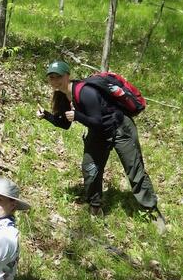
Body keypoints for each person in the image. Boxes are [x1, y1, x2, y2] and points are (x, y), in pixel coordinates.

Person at [37, 60, 166, 231]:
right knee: (90, 168)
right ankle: (95, 206)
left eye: (58, 77)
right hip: (98, 132)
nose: (54, 81)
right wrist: (45, 115)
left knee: (134, 169)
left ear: (67, 75)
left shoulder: (85, 92)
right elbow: (66, 124)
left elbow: (97, 121)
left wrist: (78, 117)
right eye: (51, 78)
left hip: (120, 129)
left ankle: (151, 211)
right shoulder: (62, 95)